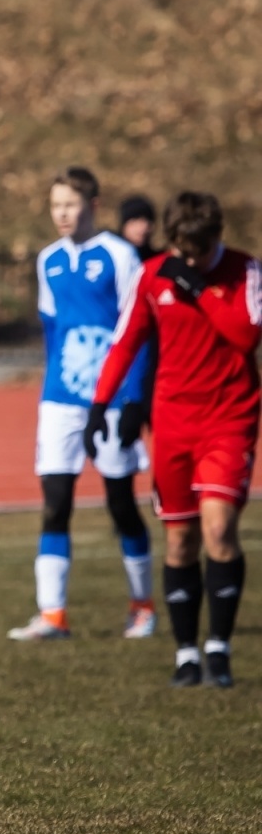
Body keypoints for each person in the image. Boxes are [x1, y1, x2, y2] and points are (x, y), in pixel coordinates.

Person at [89, 191, 262, 688]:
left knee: (218, 528)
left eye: (199, 252)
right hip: (172, 424)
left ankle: (219, 648)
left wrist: (202, 290)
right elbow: (126, 339)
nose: (190, 261)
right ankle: (186, 653)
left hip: (229, 420)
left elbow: (248, 336)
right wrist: (101, 404)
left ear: (215, 238)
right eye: (182, 252)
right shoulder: (153, 275)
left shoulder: (244, 270)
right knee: (181, 538)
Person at [9, 167, 155, 642]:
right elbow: (52, 329)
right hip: (60, 401)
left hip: (112, 399)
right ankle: (52, 615)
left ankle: (142, 605)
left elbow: (140, 329)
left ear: (92, 204)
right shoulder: (48, 260)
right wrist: (54, 387)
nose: (62, 214)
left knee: (119, 503)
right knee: (55, 505)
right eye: (55, 206)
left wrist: (134, 398)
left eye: (70, 205)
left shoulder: (119, 255)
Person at [119, 195, 159, 262]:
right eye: (134, 222)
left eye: (144, 221)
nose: (140, 228)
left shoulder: (158, 260)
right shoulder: (114, 258)